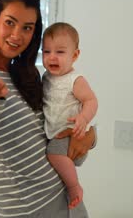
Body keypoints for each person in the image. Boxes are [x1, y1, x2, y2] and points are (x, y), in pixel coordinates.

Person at [0, 0, 96, 217]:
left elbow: (52, 129)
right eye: (10, 22)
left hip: (63, 197)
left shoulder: (27, 73)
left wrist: (90, 136)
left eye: (27, 28)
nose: (17, 35)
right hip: (28, 209)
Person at [41, 22, 98, 209]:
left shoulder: (75, 80)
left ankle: (74, 187)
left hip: (71, 134)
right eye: (46, 51)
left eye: (60, 52)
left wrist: (83, 118)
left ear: (75, 55)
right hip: (55, 133)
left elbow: (91, 101)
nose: (52, 57)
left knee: (53, 153)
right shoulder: (46, 78)